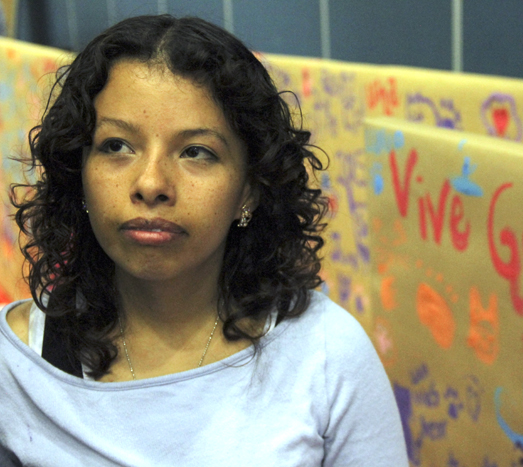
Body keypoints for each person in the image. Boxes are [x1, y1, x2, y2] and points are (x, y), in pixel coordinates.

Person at [0, 15, 408, 466]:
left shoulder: (326, 355)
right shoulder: (13, 366)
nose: (151, 182)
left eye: (196, 152)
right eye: (116, 146)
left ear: (249, 189)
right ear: (78, 174)